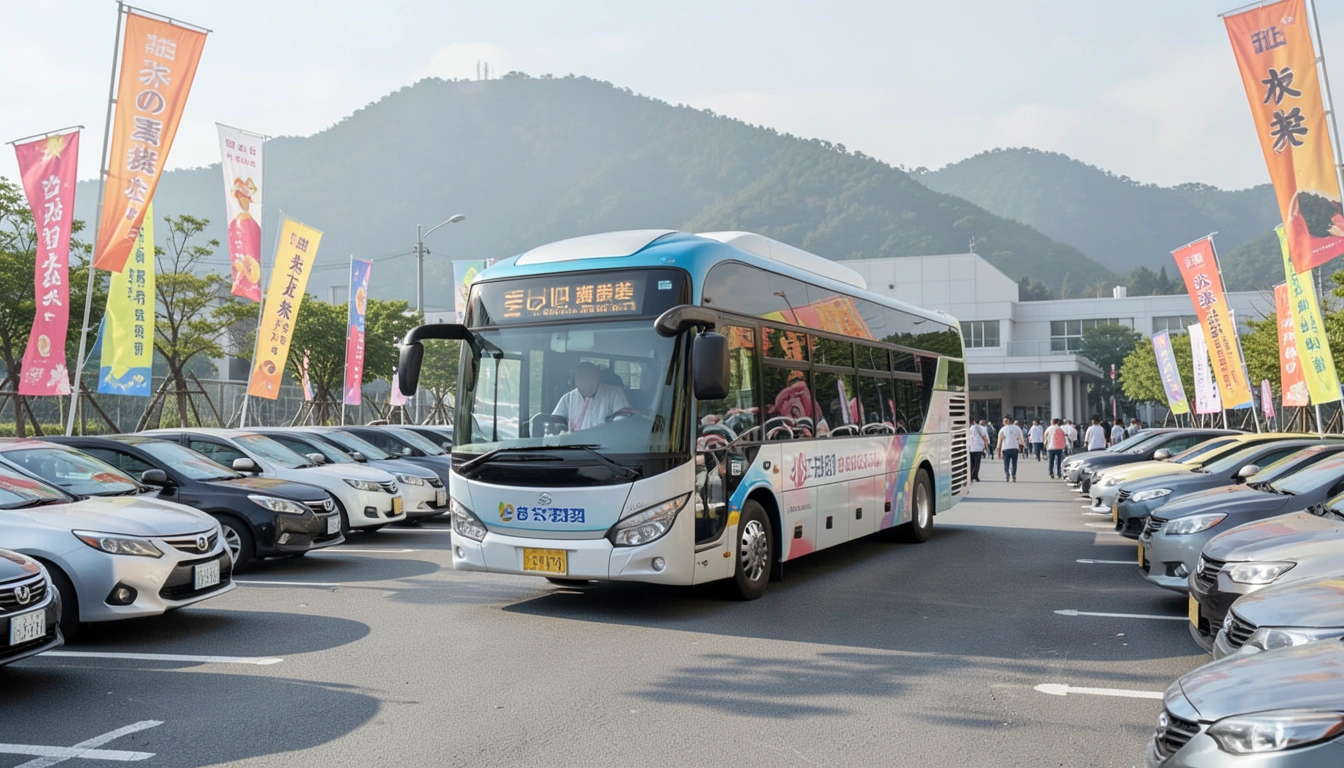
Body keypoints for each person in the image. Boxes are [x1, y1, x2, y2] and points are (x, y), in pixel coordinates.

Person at [553, 361, 633, 431]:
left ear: (597, 378)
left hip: (607, 445)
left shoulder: (615, 393)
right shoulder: (567, 399)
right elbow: (556, 422)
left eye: (589, 378)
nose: (585, 382)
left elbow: (622, 422)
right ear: (575, 380)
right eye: (581, 378)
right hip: (575, 446)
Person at [997, 416, 1025, 482]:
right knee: (1014, 463)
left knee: (1006, 463)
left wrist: (998, 447)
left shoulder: (1003, 429)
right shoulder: (1017, 428)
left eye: (1005, 421)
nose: (1004, 422)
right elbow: (1021, 436)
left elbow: (1000, 438)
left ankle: (1007, 475)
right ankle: (1013, 475)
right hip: (1015, 447)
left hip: (1006, 448)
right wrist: (1022, 443)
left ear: (1008, 421)